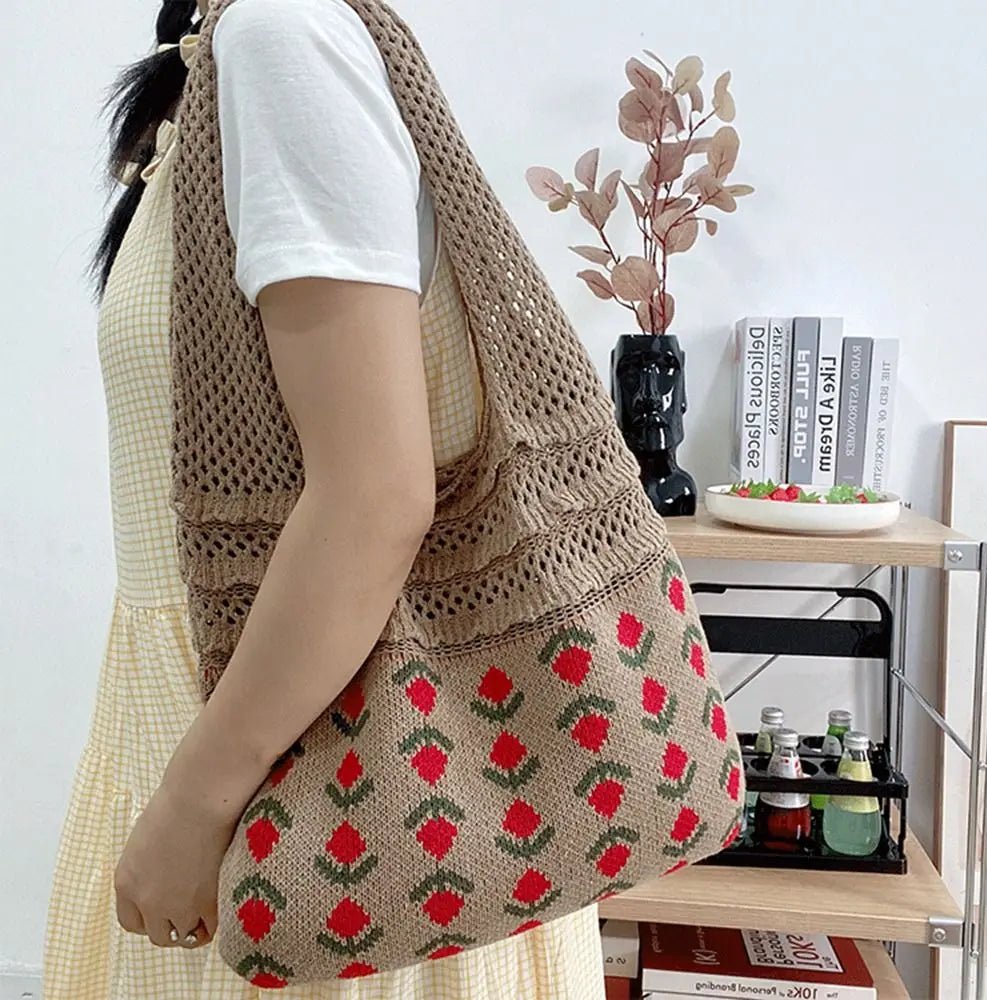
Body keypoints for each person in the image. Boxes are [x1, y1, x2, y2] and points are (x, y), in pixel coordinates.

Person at [42, 0, 607, 996]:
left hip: (317, 783)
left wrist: (193, 804)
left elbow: (374, 496)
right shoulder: (223, 58)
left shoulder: (281, 34)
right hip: (264, 730)